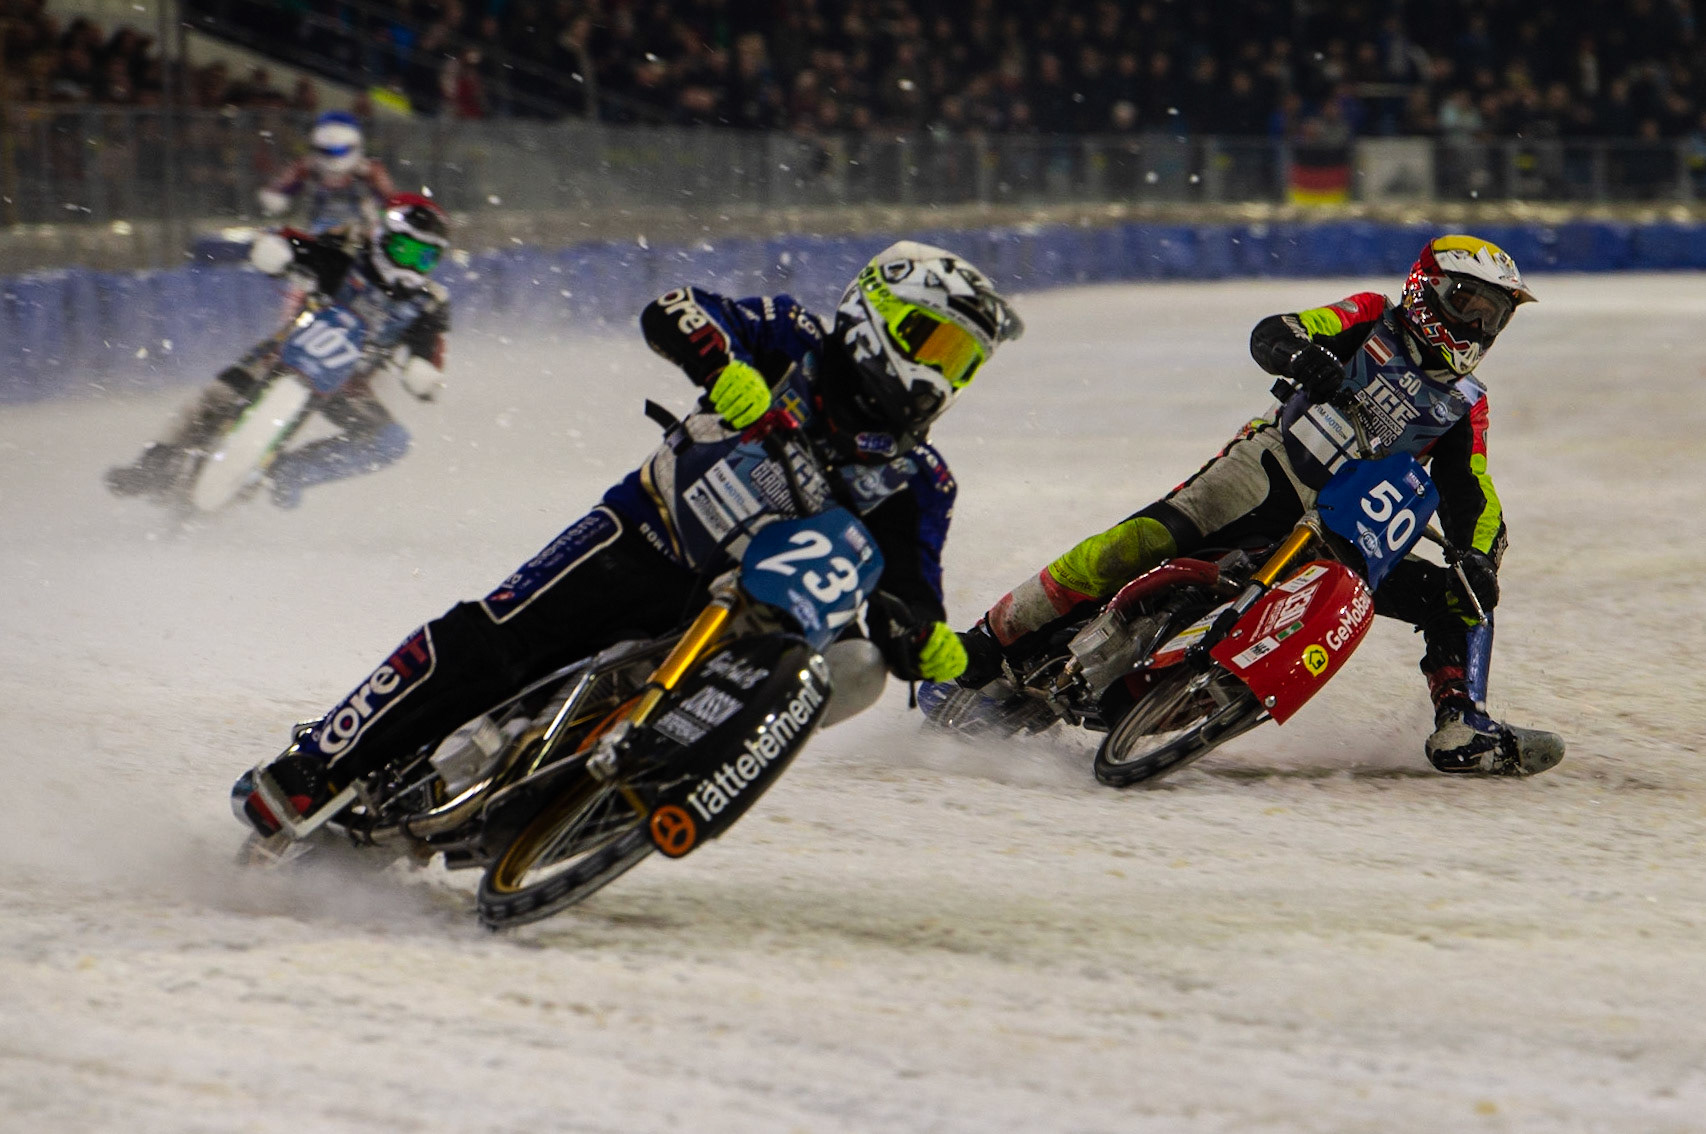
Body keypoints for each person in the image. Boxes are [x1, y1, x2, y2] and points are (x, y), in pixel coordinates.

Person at [233, 241, 1024, 834]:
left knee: (850, 670)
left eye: (962, 363)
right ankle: (315, 764)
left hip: (742, 624)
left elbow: (912, 588)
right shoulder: (791, 338)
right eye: (933, 342)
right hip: (645, 532)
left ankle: (608, 808)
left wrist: (928, 640)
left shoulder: (922, 480)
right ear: (874, 316)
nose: (939, 377)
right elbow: (676, 309)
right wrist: (721, 365)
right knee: (497, 636)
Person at [940, 235, 1562, 776]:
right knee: (1137, 543)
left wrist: (1481, 555)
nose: (1477, 328)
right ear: (1427, 290)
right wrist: (1302, 354)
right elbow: (1278, 330)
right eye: (1467, 305)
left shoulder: (1467, 402)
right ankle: (982, 647)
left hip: (1356, 529)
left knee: (1463, 595)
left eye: (1493, 318)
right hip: (1269, 471)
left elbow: (1472, 488)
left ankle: (1463, 723)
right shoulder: (1373, 316)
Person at [106, 193, 452, 509]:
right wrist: (276, 248)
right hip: (288, 347)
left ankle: (293, 471)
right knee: (216, 398)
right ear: (382, 236)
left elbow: (430, 347)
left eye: (423, 258)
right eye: (405, 250)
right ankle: (154, 464)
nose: (410, 266)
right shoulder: (346, 251)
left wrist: (423, 370)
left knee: (390, 440)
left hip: (349, 383)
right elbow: (295, 242)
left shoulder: (428, 303)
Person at [258, 110, 397, 234]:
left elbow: (393, 201)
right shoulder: (307, 166)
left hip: (357, 232)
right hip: (315, 229)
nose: (334, 160)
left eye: (340, 151)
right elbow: (276, 192)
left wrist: (376, 212)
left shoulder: (369, 170)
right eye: (326, 151)